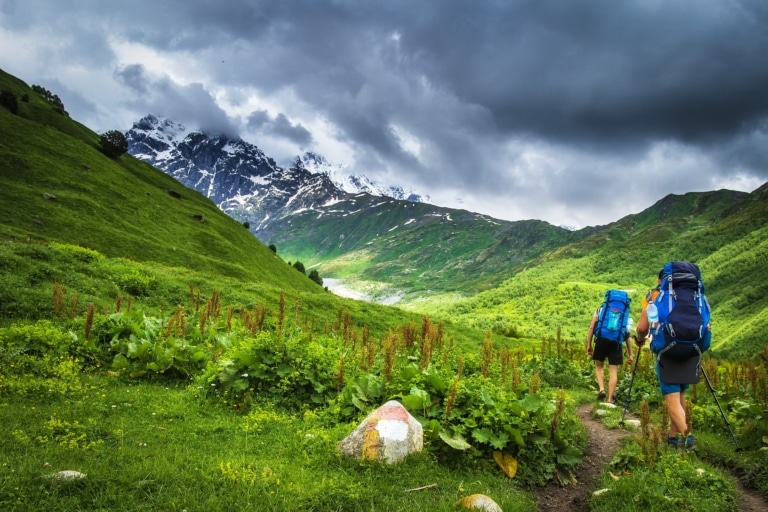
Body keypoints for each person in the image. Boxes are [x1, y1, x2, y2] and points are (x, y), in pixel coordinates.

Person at [636, 264, 710, 450]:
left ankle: (687, 438)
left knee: (672, 398)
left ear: (662, 280)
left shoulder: (656, 297)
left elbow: (642, 328)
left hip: (668, 351)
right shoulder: (697, 297)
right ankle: (672, 437)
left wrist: (639, 339)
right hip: (693, 349)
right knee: (681, 393)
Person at [586, 308, 634, 403]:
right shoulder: (624, 312)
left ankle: (602, 389)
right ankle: (610, 399)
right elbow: (627, 335)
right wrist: (631, 354)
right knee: (613, 371)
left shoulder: (600, 310)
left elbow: (591, 328)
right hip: (616, 342)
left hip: (601, 340)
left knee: (599, 367)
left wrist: (589, 344)